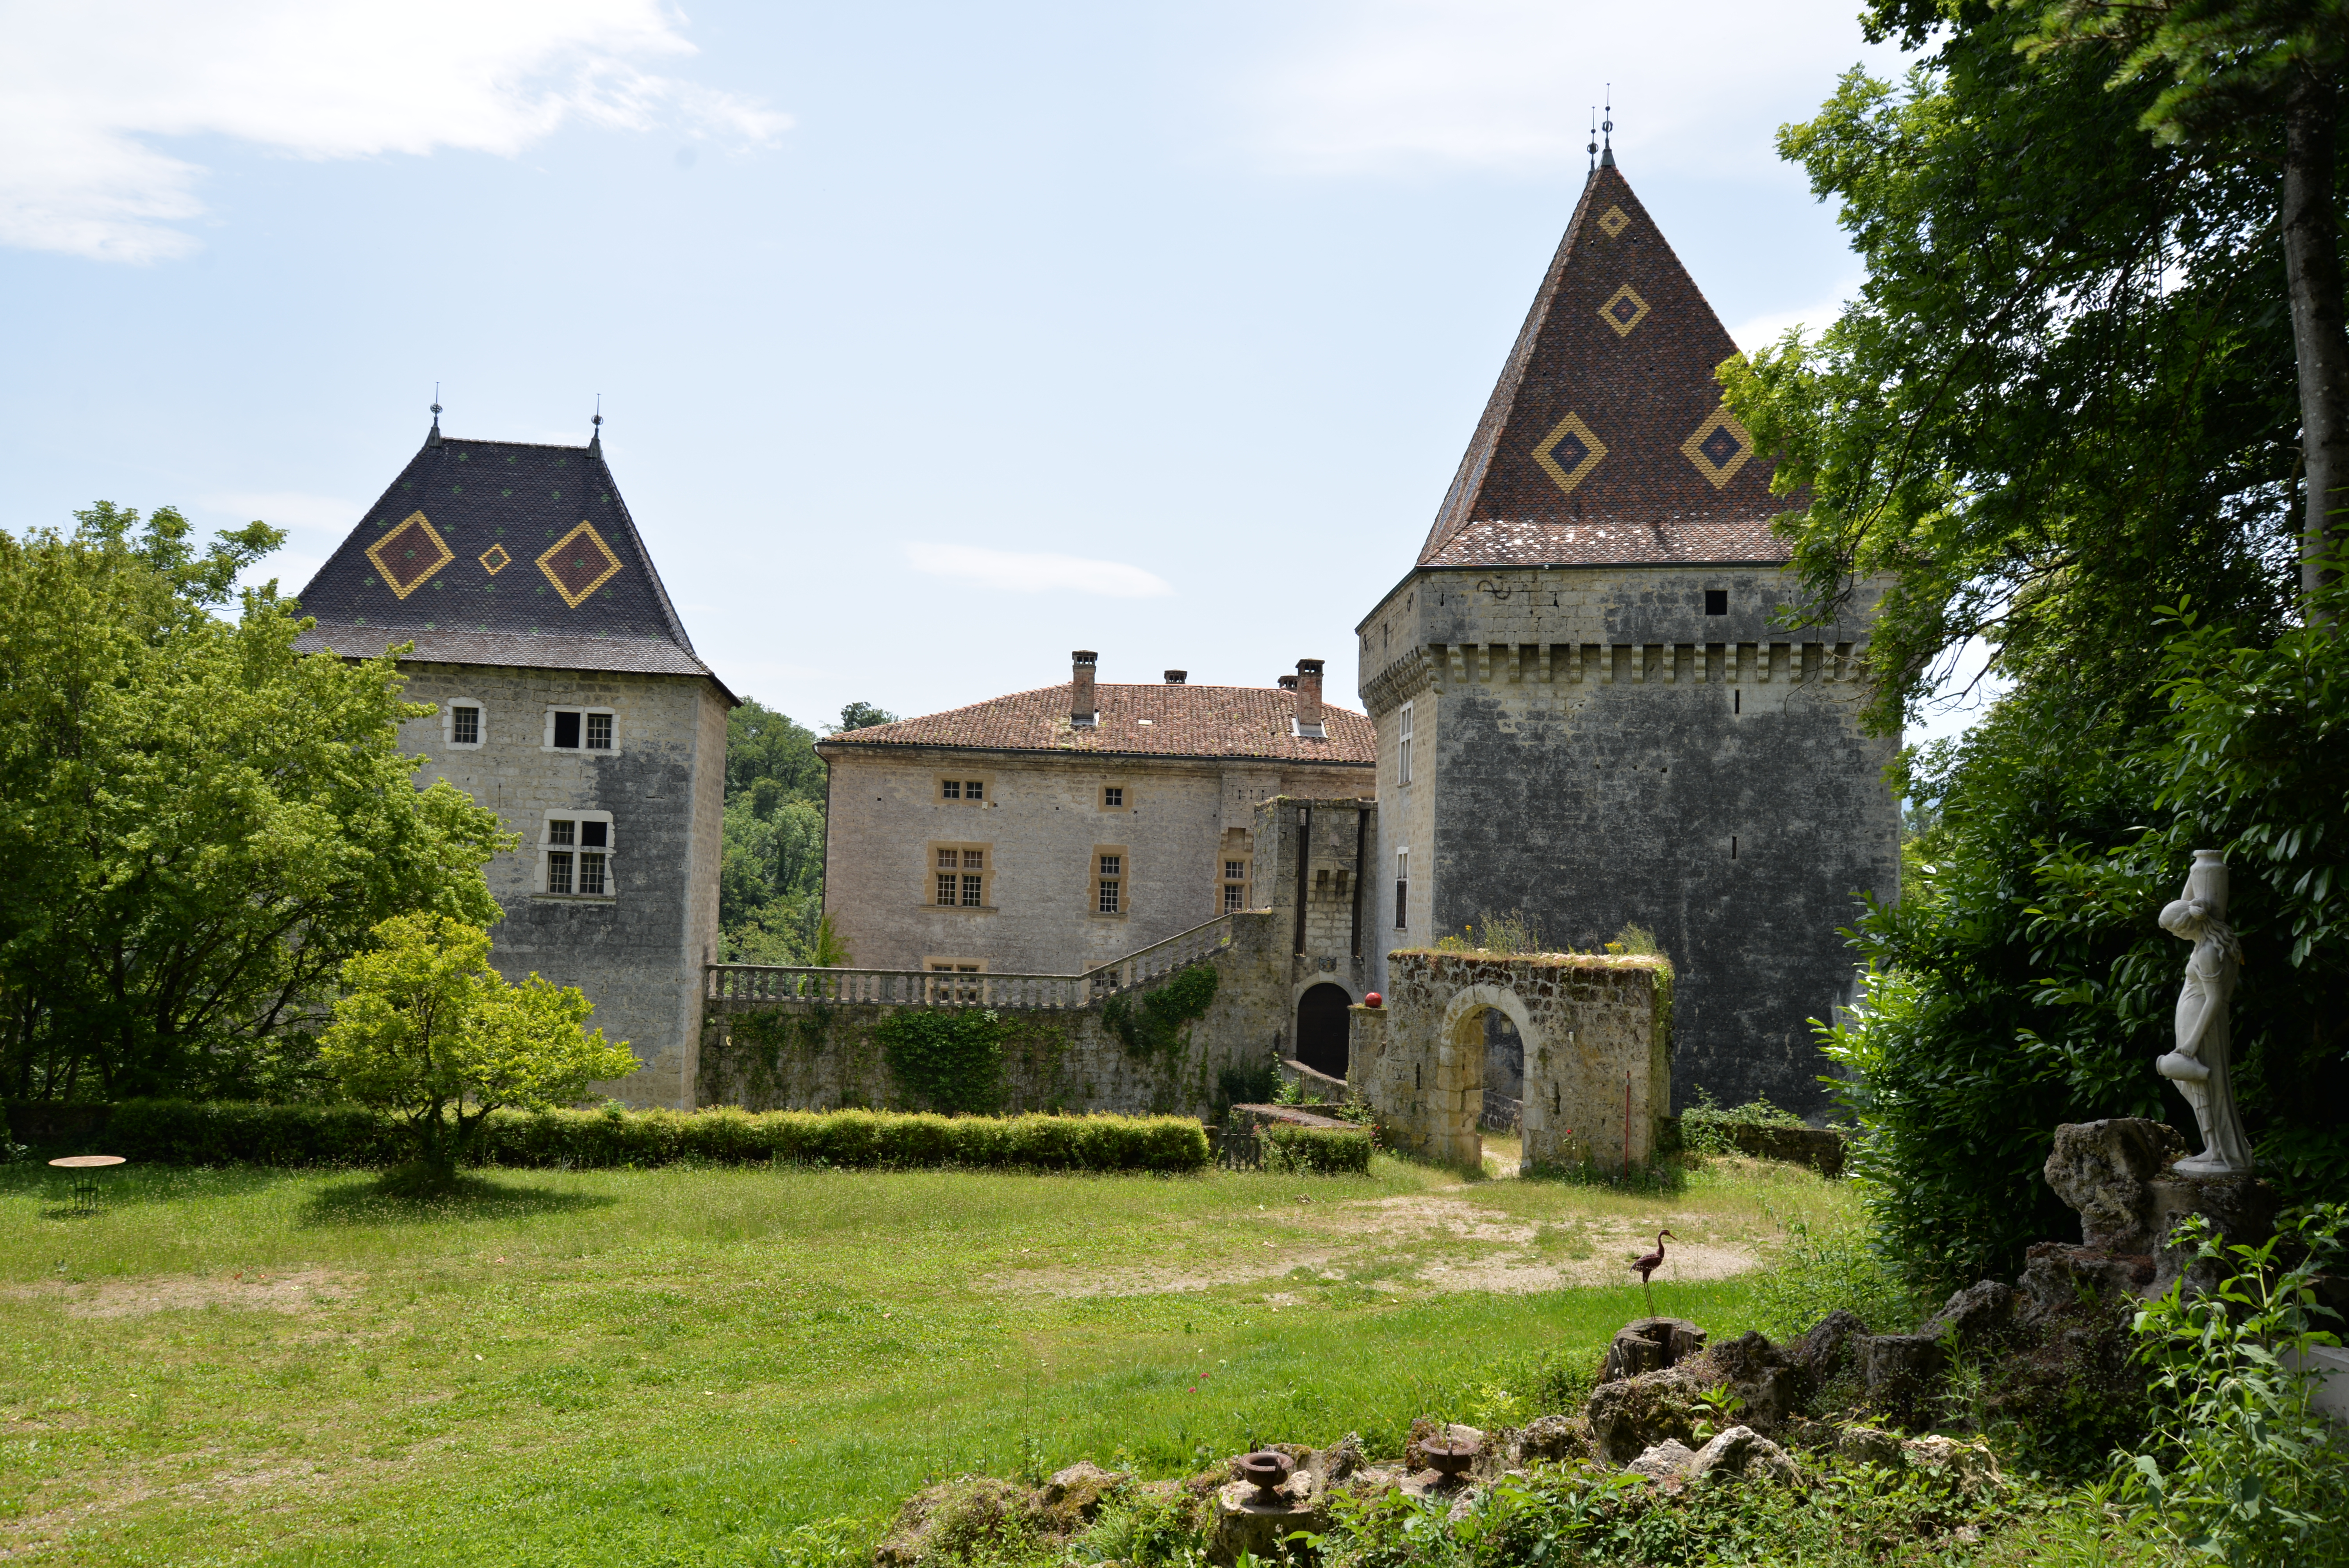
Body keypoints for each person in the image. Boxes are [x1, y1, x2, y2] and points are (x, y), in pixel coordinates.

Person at [2155, 850, 2254, 1176]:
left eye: (2174, 932)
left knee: (2207, 1085)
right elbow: (2191, 904)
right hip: (2193, 1018)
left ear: (2185, 929)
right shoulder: (2205, 939)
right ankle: (2213, 1148)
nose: (2174, 936)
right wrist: (2200, 867)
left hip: (2203, 1024)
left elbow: (2214, 1000)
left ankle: (2225, 1154)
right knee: (2193, 1085)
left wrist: (2191, 1044)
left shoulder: (2210, 952)